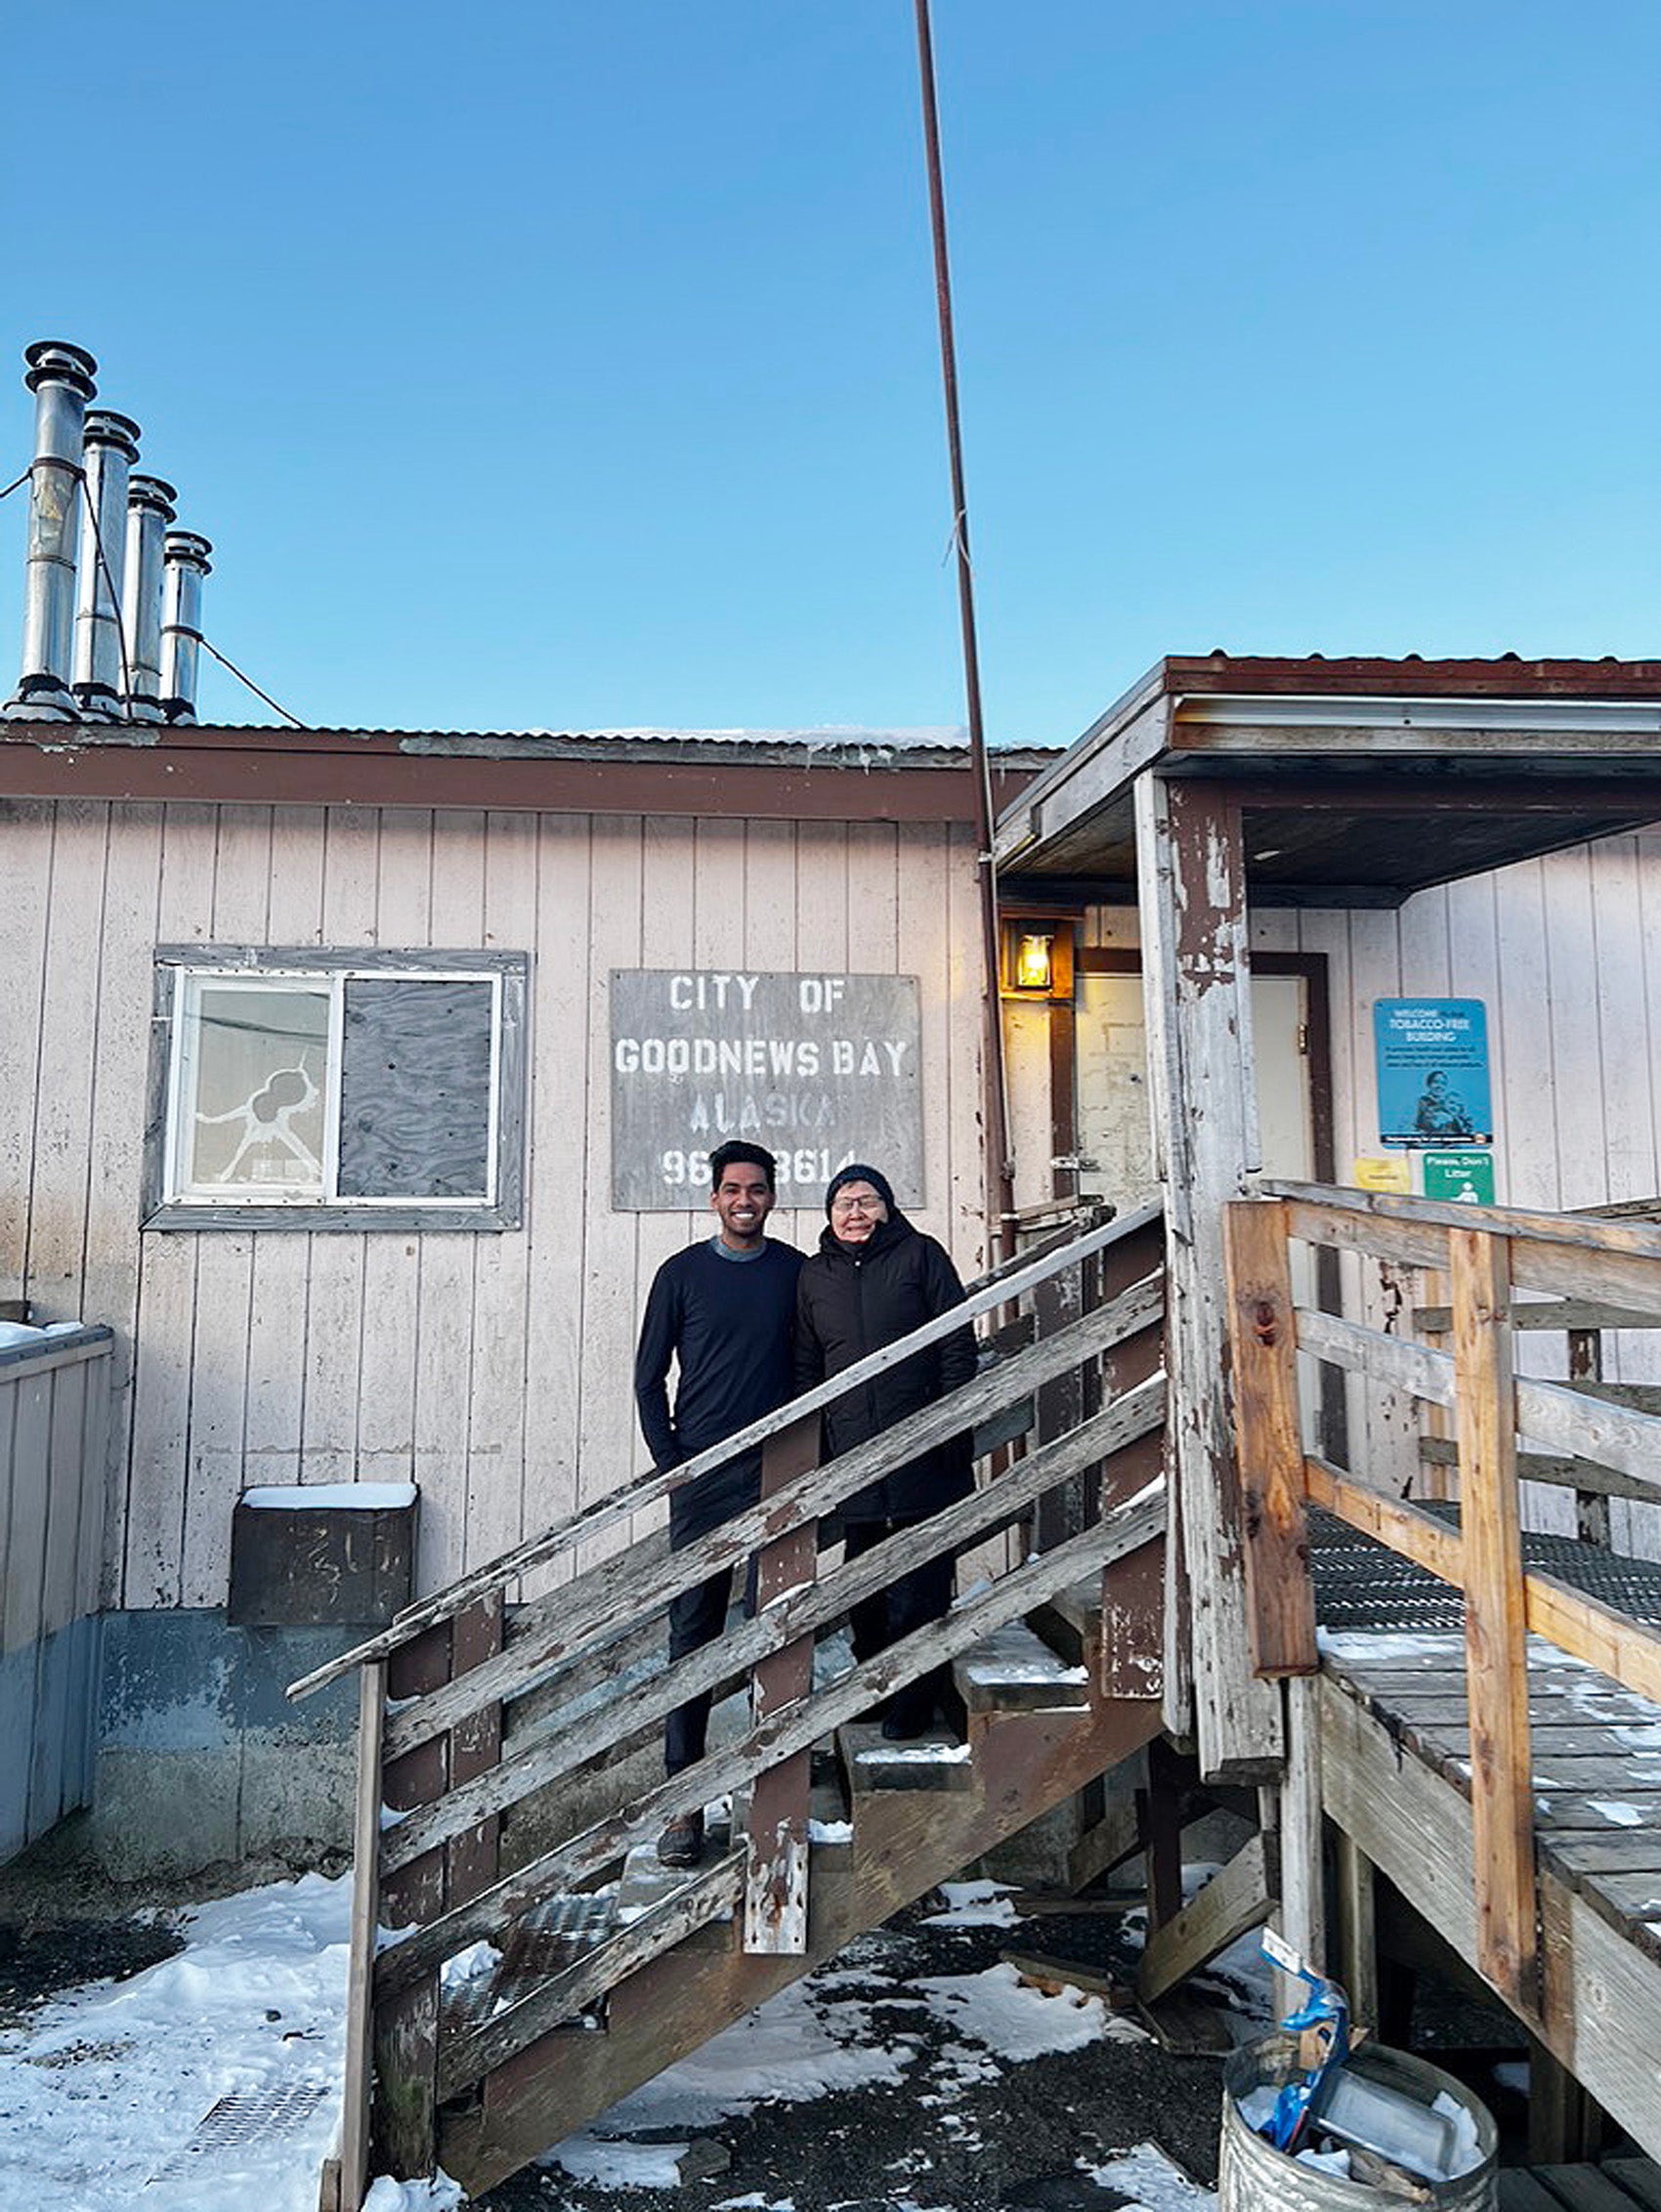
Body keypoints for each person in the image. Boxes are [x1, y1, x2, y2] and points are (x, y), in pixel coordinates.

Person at [634, 1141, 803, 1867]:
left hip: (779, 1473)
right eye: (733, 1189)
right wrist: (673, 1465)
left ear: (771, 1198)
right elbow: (648, 1380)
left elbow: (818, 1361)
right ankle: (684, 1804)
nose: (745, 1200)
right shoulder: (681, 1275)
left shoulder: (794, 1272)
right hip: (702, 1480)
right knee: (693, 1635)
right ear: (714, 1198)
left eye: (757, 1189)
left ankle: (774, 1791)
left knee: (778, 1627)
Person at [793, 1164, 977, 1741]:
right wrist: (821, 1448)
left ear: (888, 1207)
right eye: (843, 1203)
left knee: (923, 1580)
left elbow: (956, 1342)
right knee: (865, 1584)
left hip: (924, 1446)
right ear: (829, 1214)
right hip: (855, 1453)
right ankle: (875, 1687)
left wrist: (950, 1424)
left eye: (867, 1201)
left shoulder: (921, 1256)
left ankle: (915, 1699)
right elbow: (807, 1365)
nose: (855, 1213)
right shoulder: (814, 1275)